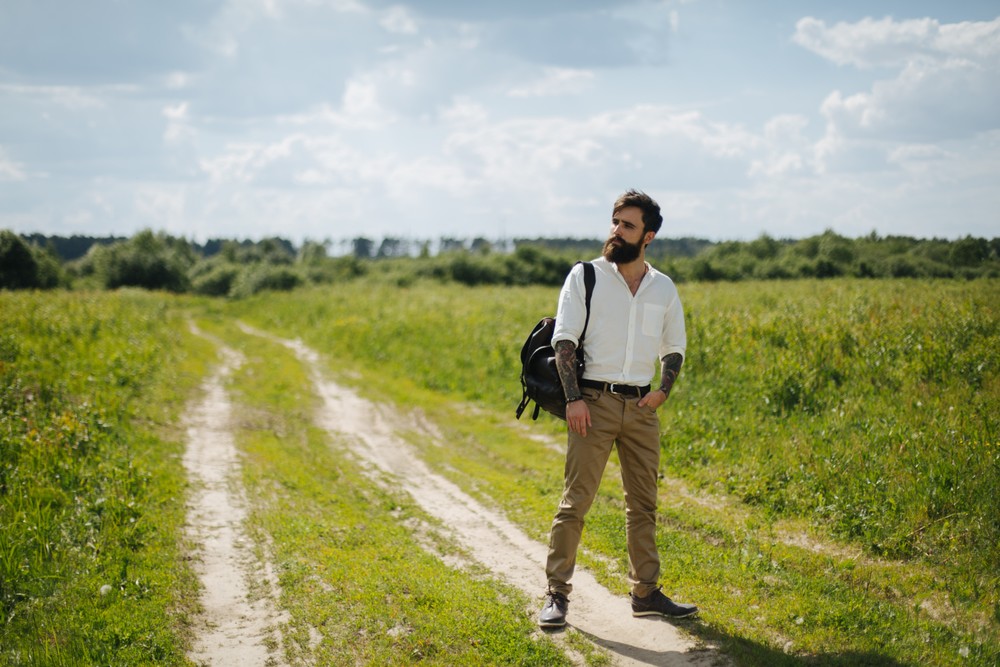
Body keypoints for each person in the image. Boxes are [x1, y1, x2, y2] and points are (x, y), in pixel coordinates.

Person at [538, 189, 698, 628]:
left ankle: (645, 593)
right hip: (593, 402)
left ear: (648, 236)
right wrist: (573, 398)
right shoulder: (586, 275)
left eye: (627, 224)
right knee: (576, 503)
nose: (616, 230)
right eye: (614, 221)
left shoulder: (662, 287)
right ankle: (556, 594)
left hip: (642, 408)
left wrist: (662, 391)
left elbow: (675, 347)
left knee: (643, 506)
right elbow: (565, 340)